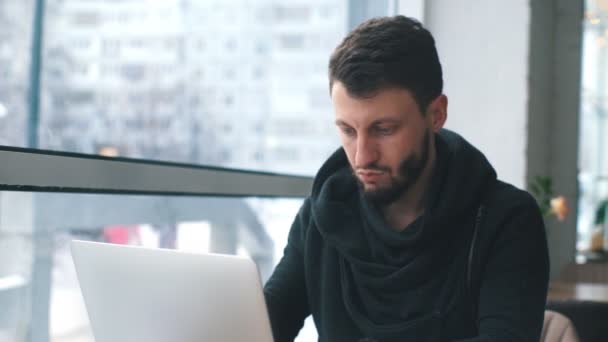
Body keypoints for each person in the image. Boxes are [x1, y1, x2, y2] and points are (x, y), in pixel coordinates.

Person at [264, 15, 549, 342]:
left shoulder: (506, 221)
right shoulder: (323, 215)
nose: (362, 157)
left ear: (436, 115)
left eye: (383, 130)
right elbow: (262, 324)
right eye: (348, 131)